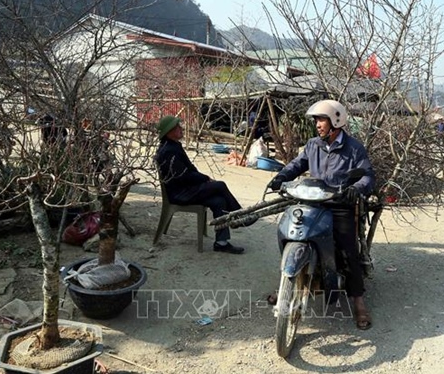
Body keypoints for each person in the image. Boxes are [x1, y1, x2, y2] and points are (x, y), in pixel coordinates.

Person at [267, 99, 375, 330]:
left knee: (348, 250)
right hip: (312, 201)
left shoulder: (354, 148)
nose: (317, 124)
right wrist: (280, 177)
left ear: (336, 120)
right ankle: (287, 283)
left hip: (338, 203)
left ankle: (358, 300)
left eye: (321, 120)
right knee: (292, 233)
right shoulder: (313, 145)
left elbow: (367, 176)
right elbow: (297, 164)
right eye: (316, 120)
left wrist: (355, 189)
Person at [154, 115, 255, 254]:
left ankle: (221, 242)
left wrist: (203, 179)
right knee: (220, 185)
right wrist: (205, 179)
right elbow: (183, 176)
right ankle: (240, 216)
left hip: (187, 189)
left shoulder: (174, 146)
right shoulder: (168, 151)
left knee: (218, 201)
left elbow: (190, 169)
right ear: (169, 131)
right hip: (181, 194)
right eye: (177, 127)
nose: (181, 129)